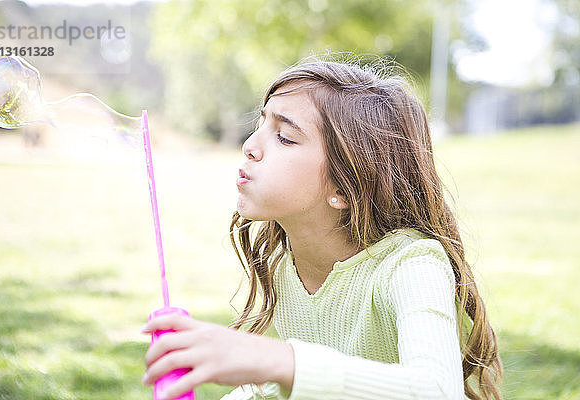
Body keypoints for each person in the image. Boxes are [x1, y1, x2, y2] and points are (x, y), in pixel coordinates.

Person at [141, 56, 503, 400]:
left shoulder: (412, 265)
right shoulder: (286, 264)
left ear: (344, 188)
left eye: (284, 137)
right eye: (260, 123)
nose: (250, 147)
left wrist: (282, 361)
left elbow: (438, 391)